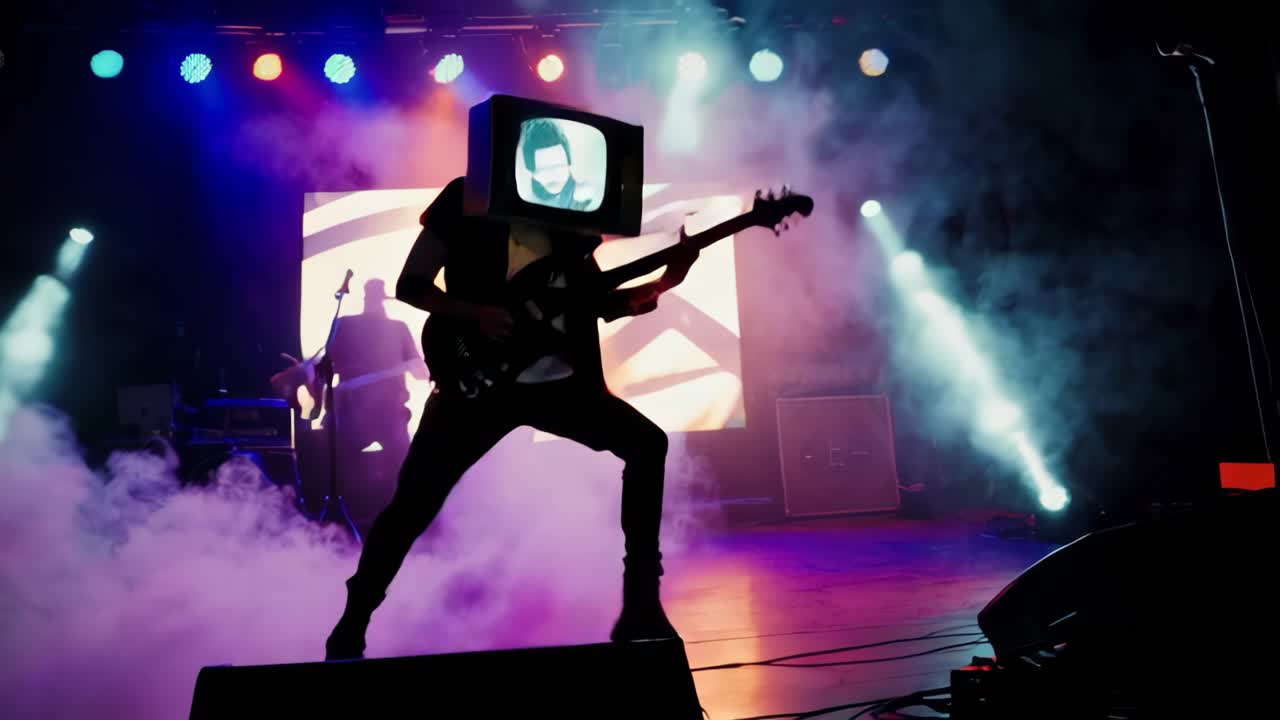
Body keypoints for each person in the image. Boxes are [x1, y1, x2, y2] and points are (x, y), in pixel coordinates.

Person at [324, 176, 697, 660]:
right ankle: (354, 621)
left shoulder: (571, 222)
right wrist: (474, 313)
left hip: (559, 386)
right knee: (412, 505)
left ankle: (641, 605)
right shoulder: (467, 197)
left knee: (647, 444)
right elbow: (411, 285)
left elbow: (602, 302)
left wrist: (669, 279)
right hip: (474, 387)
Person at [520, 119, 595, 211]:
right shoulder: (527, 197)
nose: (554, 175)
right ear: (530, 173)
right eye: (544, 169)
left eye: (559, 166)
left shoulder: (581, 195)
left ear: (569, 165)